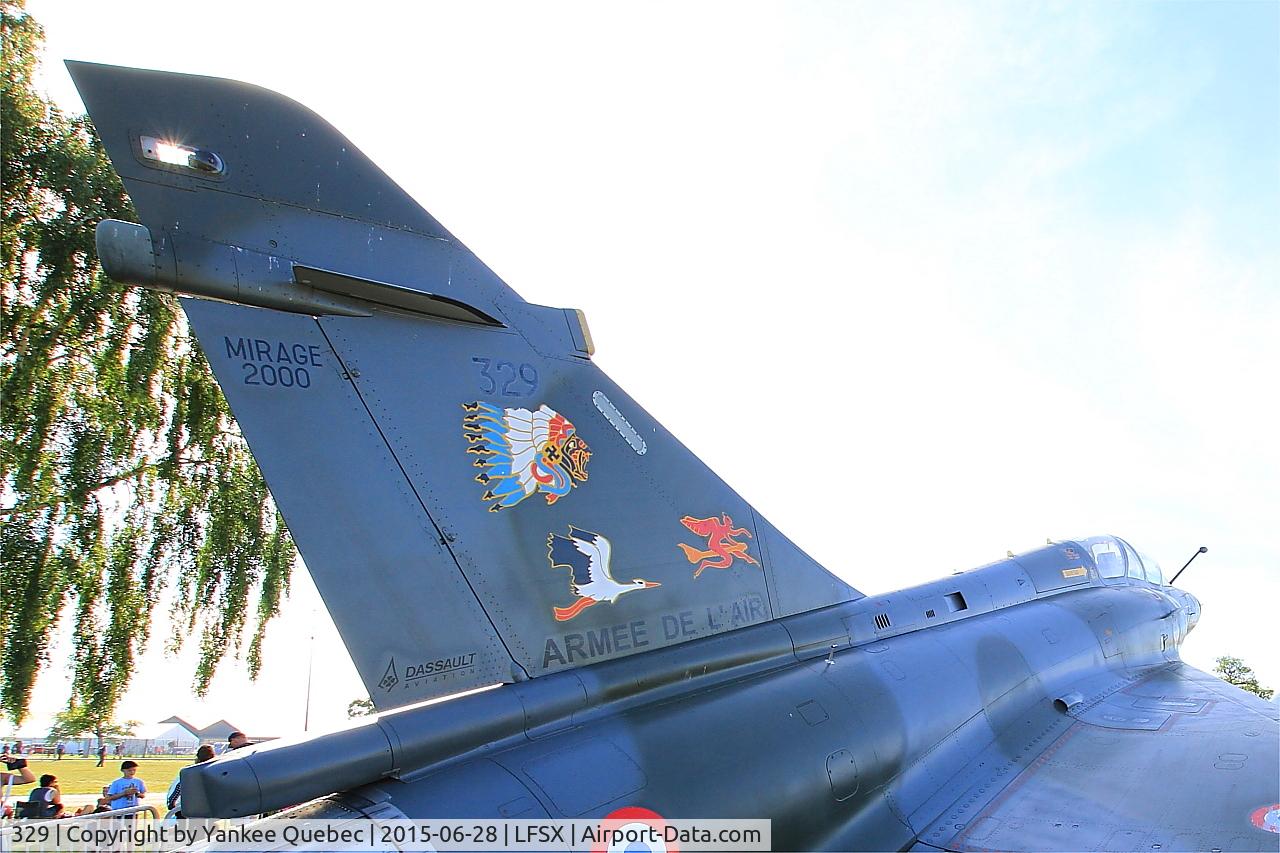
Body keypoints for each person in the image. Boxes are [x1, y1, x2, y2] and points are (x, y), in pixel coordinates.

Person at [164, 744, 215, 818]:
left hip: (186, 812)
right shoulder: (214, 773)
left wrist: (172, 807)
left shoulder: (188, 772)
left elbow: (175, 793)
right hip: (207, 812)